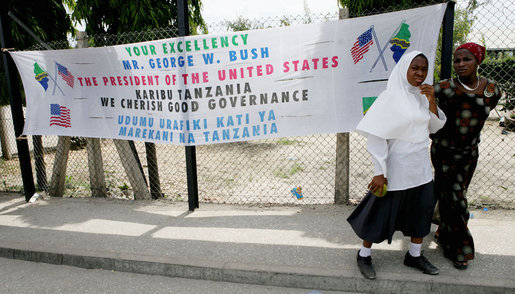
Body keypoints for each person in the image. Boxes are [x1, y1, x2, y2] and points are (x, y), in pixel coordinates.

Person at [347, 51, 447, 280]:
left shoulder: (421, 96)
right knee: (379, 213)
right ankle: (364, 254)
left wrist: (432, 100)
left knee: (420, 211)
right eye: (415, 68)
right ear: (404, 69)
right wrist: (379, 172)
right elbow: (376, 137)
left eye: (424, 69)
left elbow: (435, 126)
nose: (420, 73)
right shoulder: (389, 98)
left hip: (419, 168)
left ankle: (414, 255)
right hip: (396, 168)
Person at [430, 42, 502, 270]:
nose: (460, 64)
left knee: (455, 196)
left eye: (466, 59)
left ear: (477, 61)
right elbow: (424, 98)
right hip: (444, 153)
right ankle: (460, 249)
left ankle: (443, 231)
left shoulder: (492, 89)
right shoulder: (446, 86)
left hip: (470, 154)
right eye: (457, 60)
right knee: (456, 198)